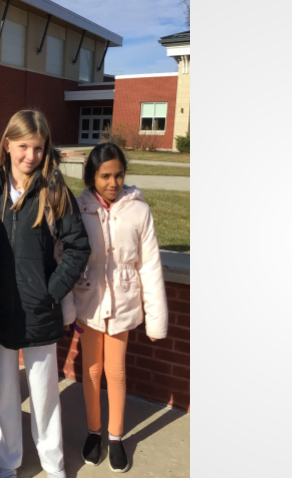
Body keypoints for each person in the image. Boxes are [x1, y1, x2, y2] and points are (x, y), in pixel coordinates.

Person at [0, 110, 89, 478]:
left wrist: (52, 291)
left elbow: (78, 247)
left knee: (44, 393)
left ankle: (52, 462)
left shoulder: (53, 190)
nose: (30, 155)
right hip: (1, 310)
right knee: (4, 392)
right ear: (6, 144)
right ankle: (7, 460)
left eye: (38, 148)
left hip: (40, 309)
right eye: (23, 146)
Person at [69, 142, 168, 473]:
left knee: (116, 371)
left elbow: (150, 266)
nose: (113, 183)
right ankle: (94, 432)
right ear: (91, 176)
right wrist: (68, 307)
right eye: (105, 176)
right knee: (91, 371)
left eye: (119, 175)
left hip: (123, 305)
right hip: (89, 306)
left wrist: (156, 319)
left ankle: (115, 437)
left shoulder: (139, 211)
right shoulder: (79, 209)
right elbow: (64, 257)